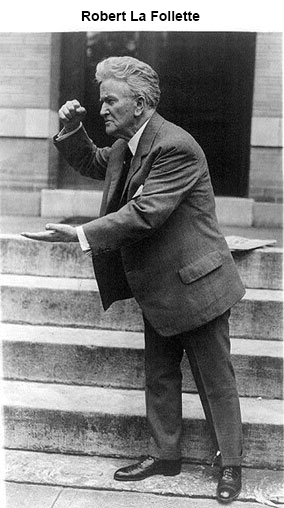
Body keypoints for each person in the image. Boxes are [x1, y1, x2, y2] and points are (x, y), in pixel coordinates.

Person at [22, 56, 245, 503]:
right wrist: (70, 130)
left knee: (214, 379)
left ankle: (231, 464)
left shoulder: (175, 146)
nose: (101, 107)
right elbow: (93, 161)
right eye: (101, 100)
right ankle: (166, 455)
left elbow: (145, 214)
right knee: (159, 374)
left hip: (197, 285)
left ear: (139, 102)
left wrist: (82, 233)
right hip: (160, 284)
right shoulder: (128, 144)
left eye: (109, 100)